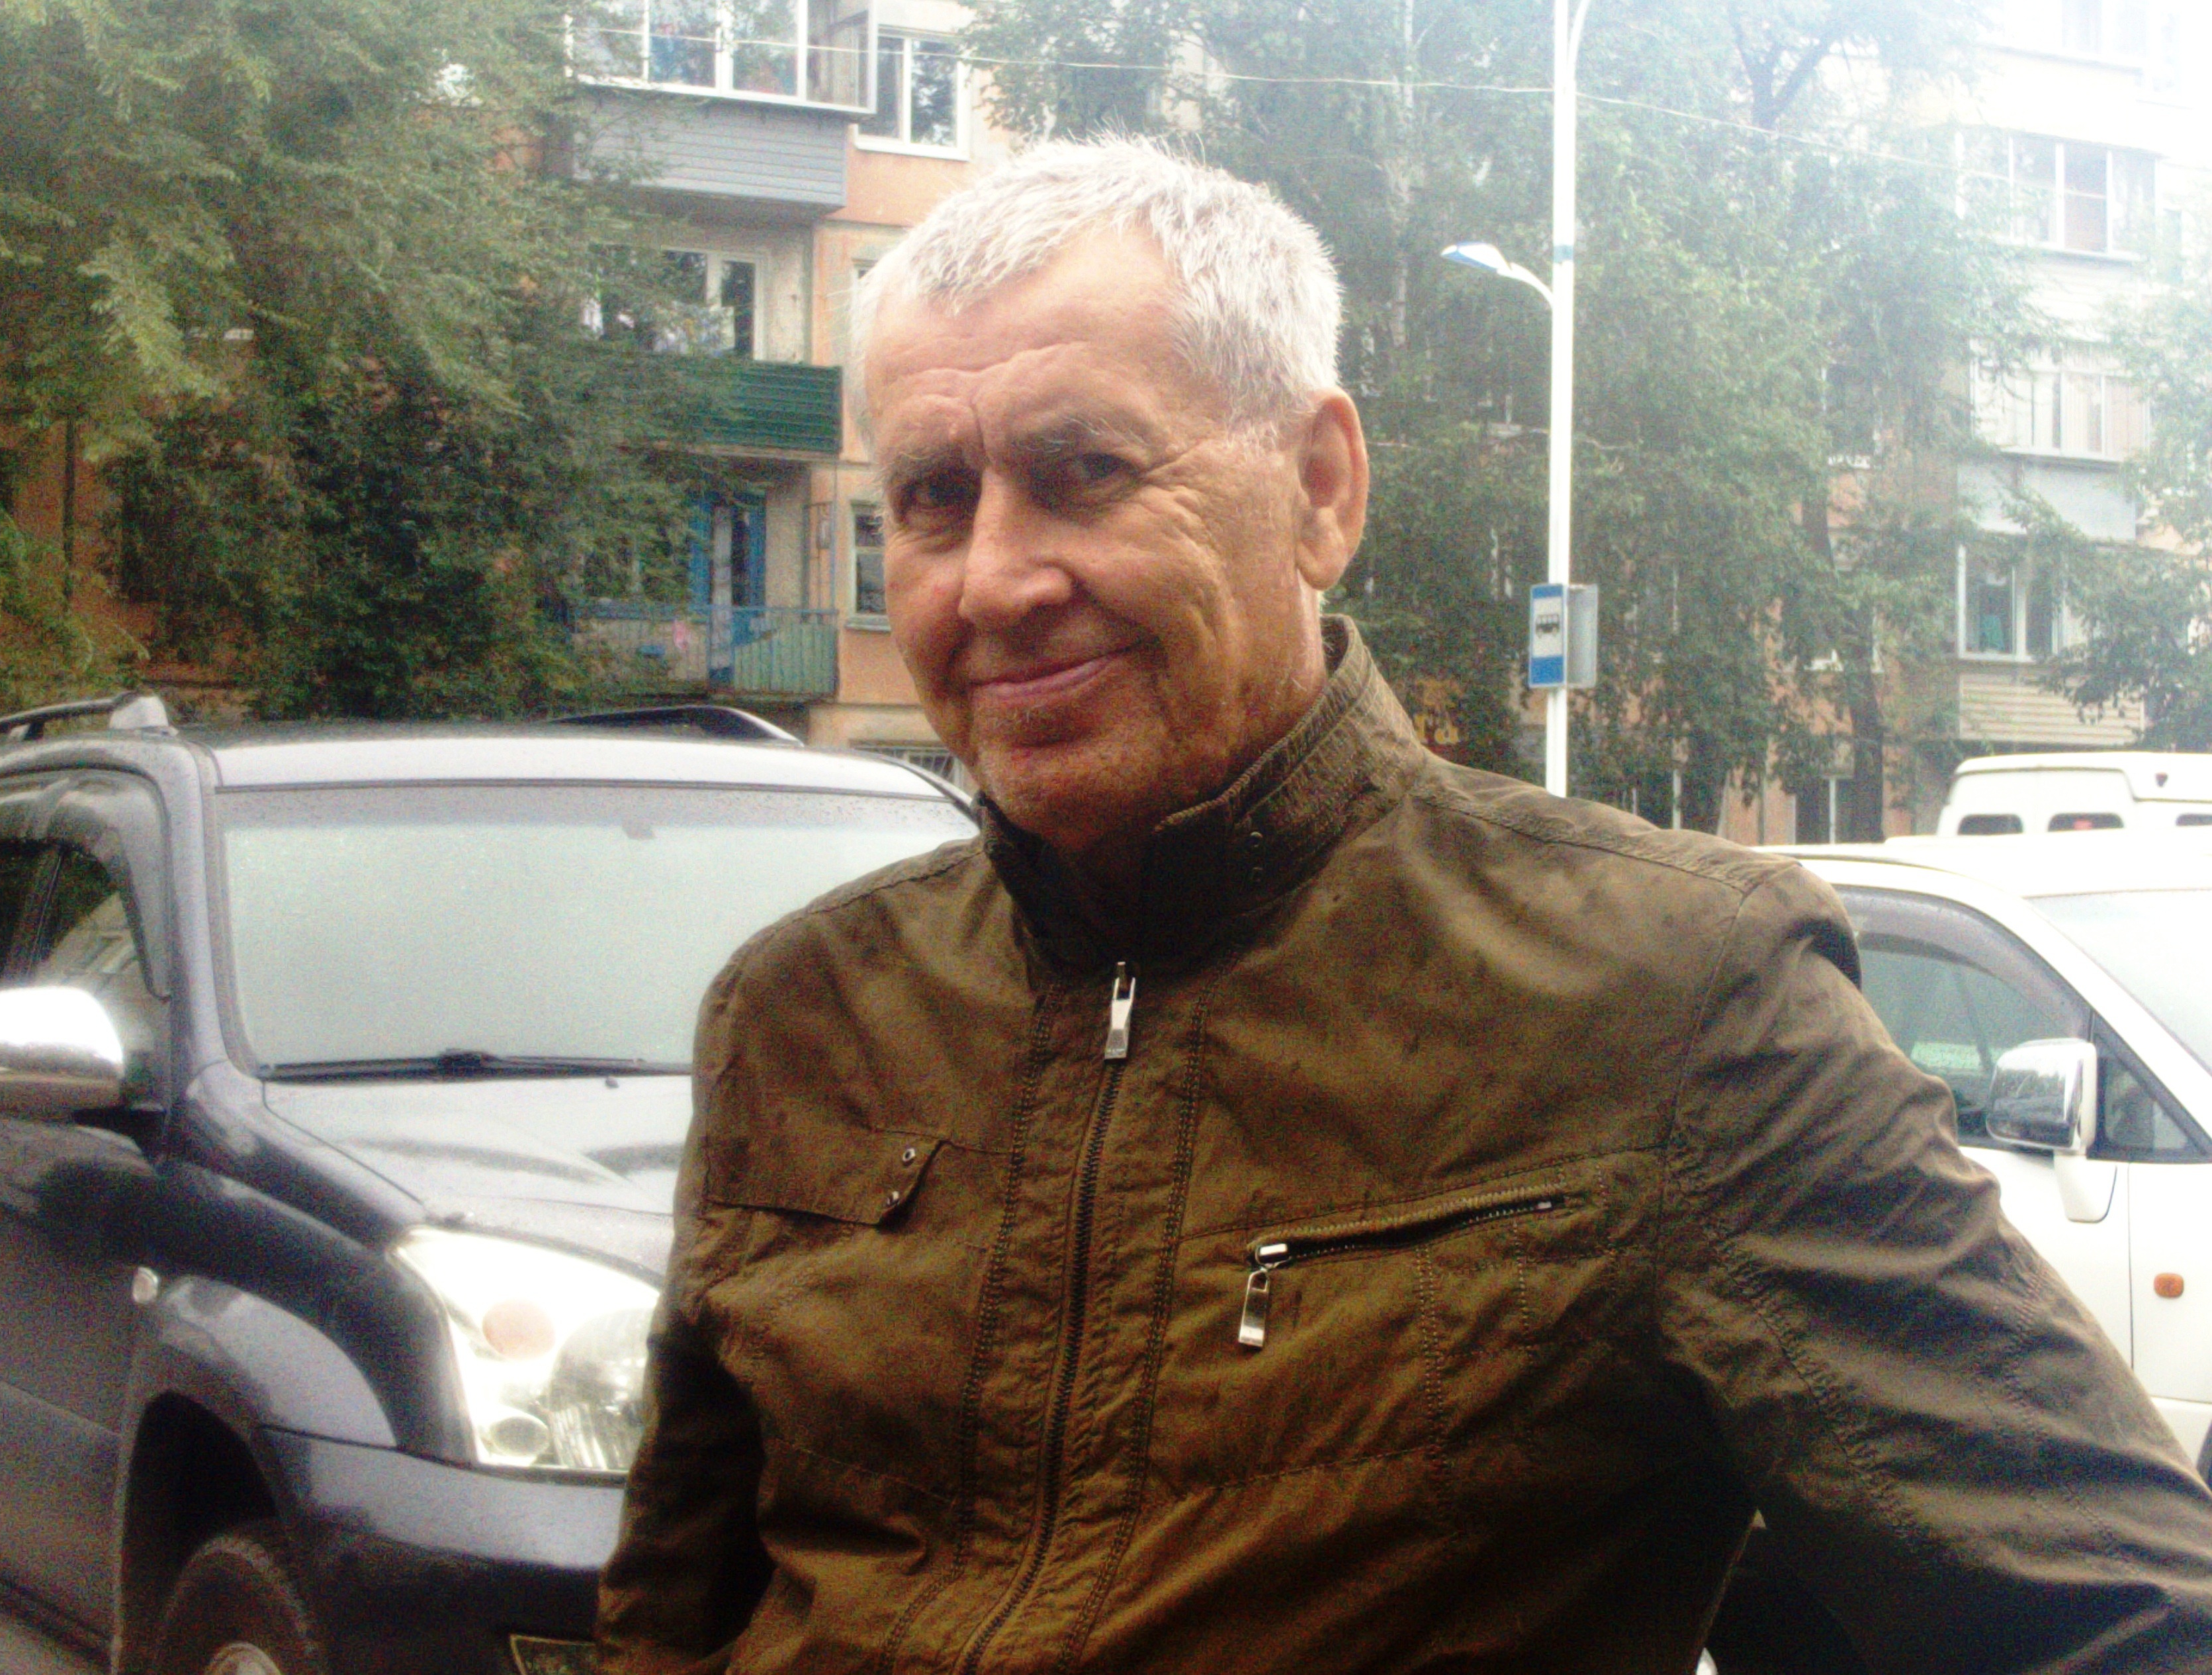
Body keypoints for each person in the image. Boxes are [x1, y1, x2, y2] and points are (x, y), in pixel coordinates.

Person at [597, 138, 2212, 1672]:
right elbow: (674, 1618)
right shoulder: (802, 1013)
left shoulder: (1669, 997)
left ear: (1318, 488)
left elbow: (2118, 1619)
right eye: (932, 500)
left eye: (1085, 472)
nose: (993, 579)